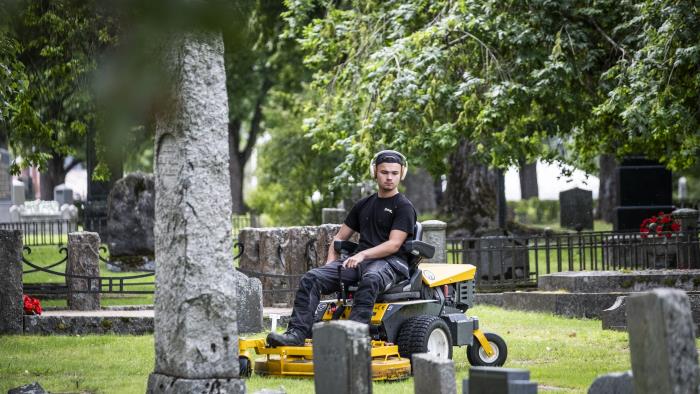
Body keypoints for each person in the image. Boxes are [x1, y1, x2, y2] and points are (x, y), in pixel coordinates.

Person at [266, 150, 417, 347]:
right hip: (362, 262)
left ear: (401, 174)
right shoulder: (363, 205)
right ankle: (296, 334)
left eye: (394, 173)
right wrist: (330, 263)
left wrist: (362, 254)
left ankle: (352, 339)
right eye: (384, 172)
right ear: (374, 172)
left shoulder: (403, 206)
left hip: (391, 264)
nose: (389, 177)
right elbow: (339, 238)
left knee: (370, 278)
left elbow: (394, 244)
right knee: (312, 277)